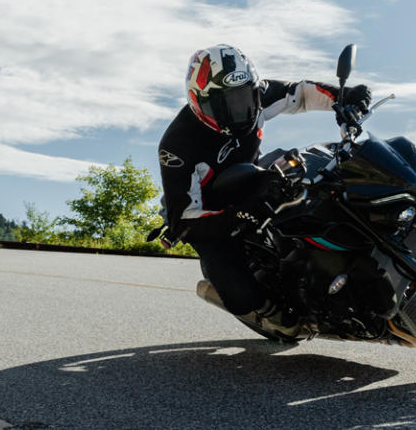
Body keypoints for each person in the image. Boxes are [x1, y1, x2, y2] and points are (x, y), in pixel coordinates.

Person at [156, 44, 371, 323]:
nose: (238, 111)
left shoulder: (259, 94)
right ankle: (270, 313)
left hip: (252, 173)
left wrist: (344, 97)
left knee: (313, 176)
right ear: (198, 101)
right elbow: (183, 221)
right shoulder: (177, 146)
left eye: (244, 98)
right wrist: (238, 215)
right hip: (209, 213)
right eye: (224, 103)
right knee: (242, 298)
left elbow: (302, 93)